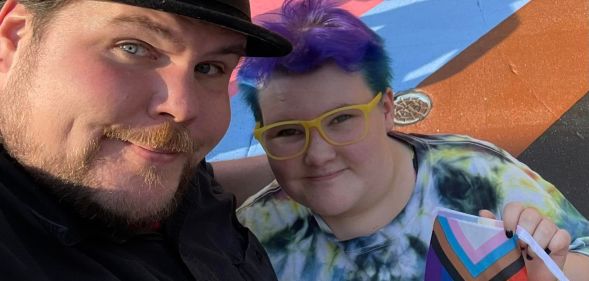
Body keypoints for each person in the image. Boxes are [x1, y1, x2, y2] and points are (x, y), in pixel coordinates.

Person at [235, 0, 589, 280]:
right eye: (287, 132)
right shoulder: (248, 238)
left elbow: (580, 253)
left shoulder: (480, 177)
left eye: (341, 119)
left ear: (387, 109)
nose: (318, 154)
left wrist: (551, 268)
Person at [0, 0, 292, 280]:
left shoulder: (147, 153)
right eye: (133, 48)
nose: (183, 109)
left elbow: (202, 183)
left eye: (209, 67)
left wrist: (302, 164)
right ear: (13, 38)